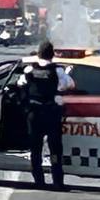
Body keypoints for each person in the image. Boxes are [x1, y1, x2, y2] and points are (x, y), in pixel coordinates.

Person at [19, 40, 75, 190]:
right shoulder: (58, 71)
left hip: (34, 114)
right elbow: (69, 85)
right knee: (55, 148)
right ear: (52, 55)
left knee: (35, 149)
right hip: (51, 113)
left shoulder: (29, 70)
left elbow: (20, 84)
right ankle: (57, 181)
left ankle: (39, 181)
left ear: (38, 54)